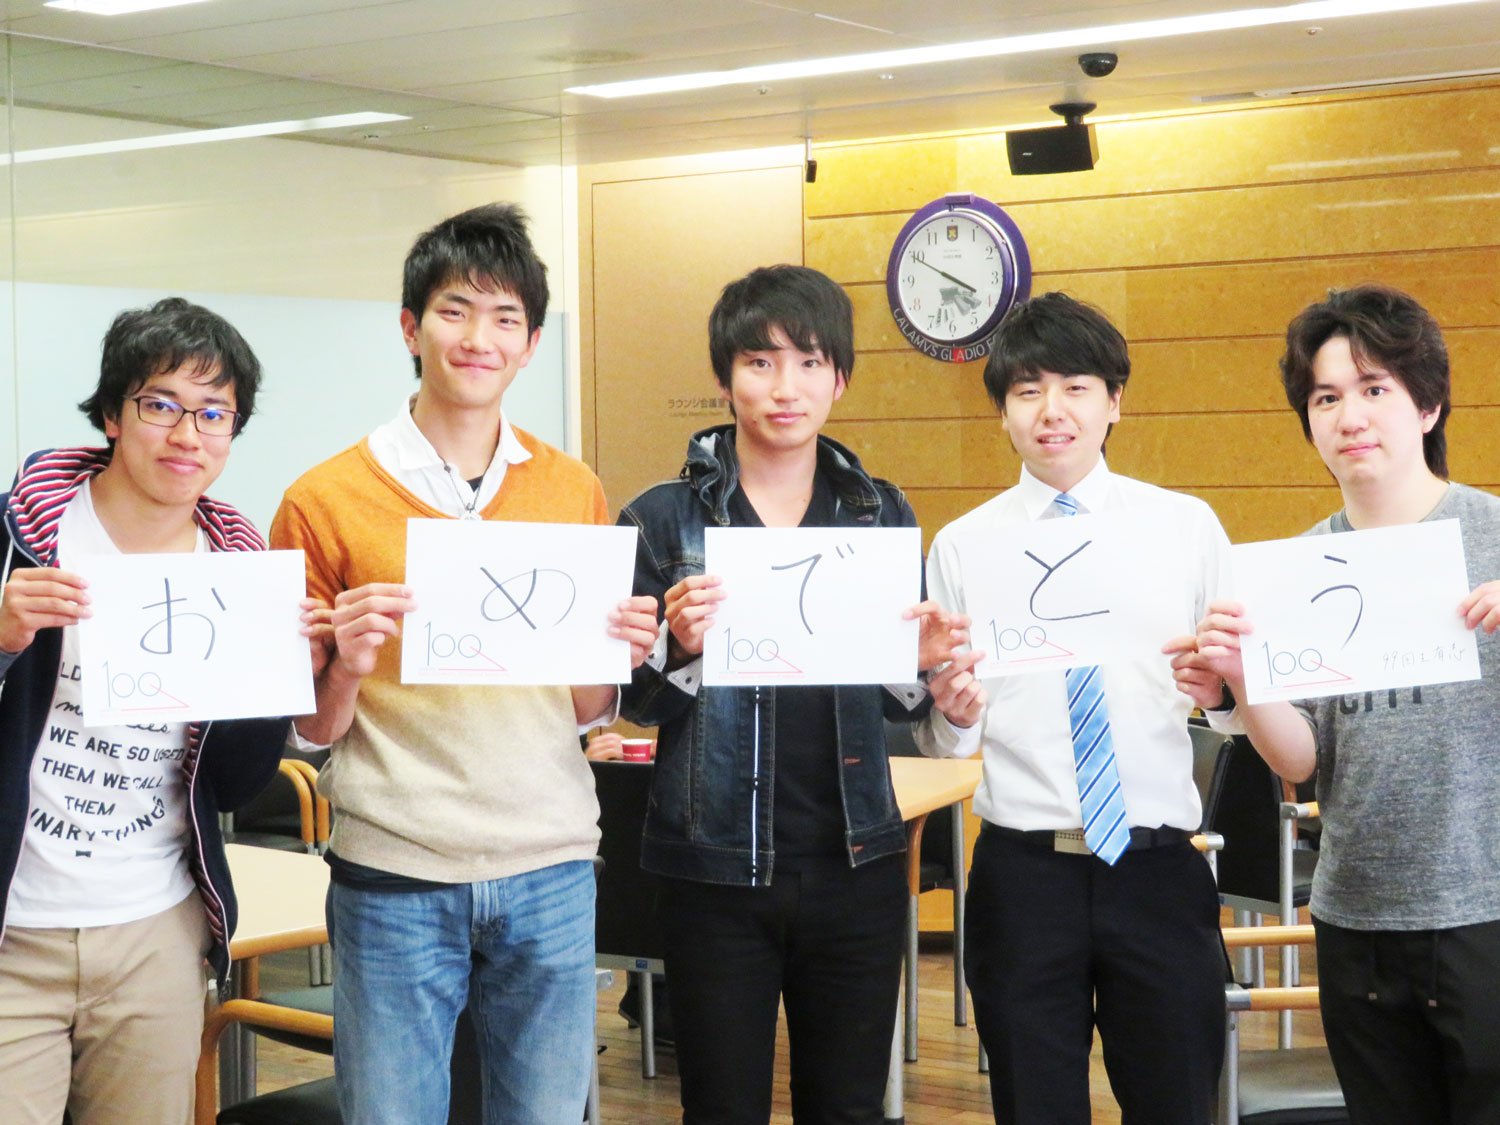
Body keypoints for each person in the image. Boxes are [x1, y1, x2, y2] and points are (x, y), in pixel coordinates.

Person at [270, 203, 658, 1123]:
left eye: (506, 318)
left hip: (552, 863)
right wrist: (348, 664)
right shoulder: (323, 498)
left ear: (528, 345)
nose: (479, 338)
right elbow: (310, 729)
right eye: (454, 310)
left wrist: (619, 650)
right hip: (395, 869)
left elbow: (583, 708)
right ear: (410, 327)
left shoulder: (573, 487)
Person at [618, 263, 971, 1123]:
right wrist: (684, 649)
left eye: (810, 363)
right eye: (761, 362)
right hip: (713, 868)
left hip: (857, 861)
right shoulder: (661, 518)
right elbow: (630, 706)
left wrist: (924, 664)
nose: (786, 388)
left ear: (840, 379)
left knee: (849, 1105)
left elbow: (895, 701)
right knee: (722, 1104)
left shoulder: (879, 511)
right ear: (724, 375)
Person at [1174, 284, 1500, 1124]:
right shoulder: (1298, 567)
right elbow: (1302, 759)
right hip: (1357, 915)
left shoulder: (1494, 535)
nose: (1349, 414)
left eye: (1374, 388)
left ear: (1427, 404)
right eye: (1327, 397)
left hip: (1489, 912)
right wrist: (1246, 677)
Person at [917, 291, 1231, 1123]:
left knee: (1175, 1104)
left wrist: (1226, 687)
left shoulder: (1185, 526)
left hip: (1158, 869)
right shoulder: (962, 543)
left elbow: (1237, 705)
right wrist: (949, 711)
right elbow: (955, 738)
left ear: (1115, 401)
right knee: (1034, 1107)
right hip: (1025, 874)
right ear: (1003, 411)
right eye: (1026, 391)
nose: (1051, 410)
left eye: (1076, 386)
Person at [0, 297, 292, 1124]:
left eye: (213, 413)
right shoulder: (18, 538)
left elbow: (235, 782)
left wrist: (280, 674)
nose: (186, 434)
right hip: (13, 924)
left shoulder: (240, 570)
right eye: (159, 404)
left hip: (153, 931)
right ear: (110, 414)